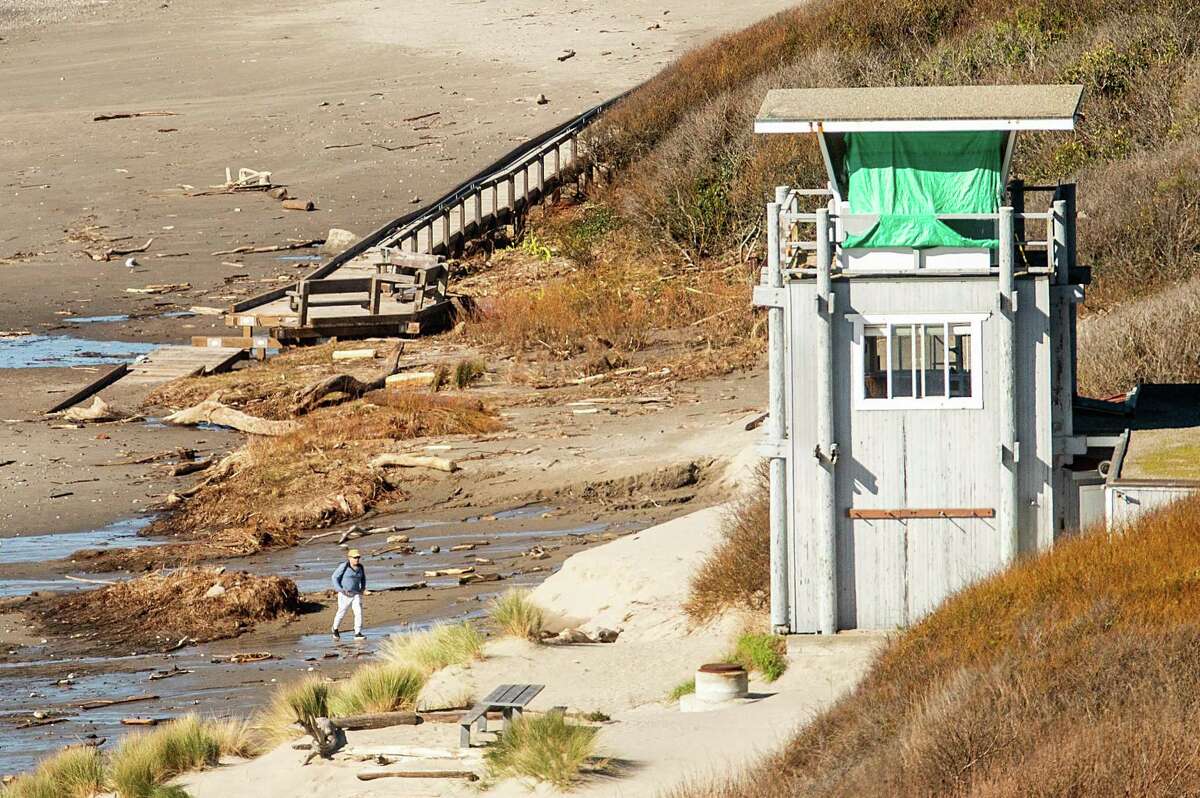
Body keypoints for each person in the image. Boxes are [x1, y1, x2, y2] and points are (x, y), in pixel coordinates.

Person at [331, 549, 367, 640]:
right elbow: (334, 577)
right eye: (355, 557)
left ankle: (357, 633)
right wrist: (340, 589)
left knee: (358, 612)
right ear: (349, 558)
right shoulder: (344, 566)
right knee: (341, 612)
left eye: (358, 557)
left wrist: (362, 588)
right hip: (344, 594)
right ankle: (335, 629)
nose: (357, 559)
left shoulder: (360, 567)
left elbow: (363, 578)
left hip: (356, 594)